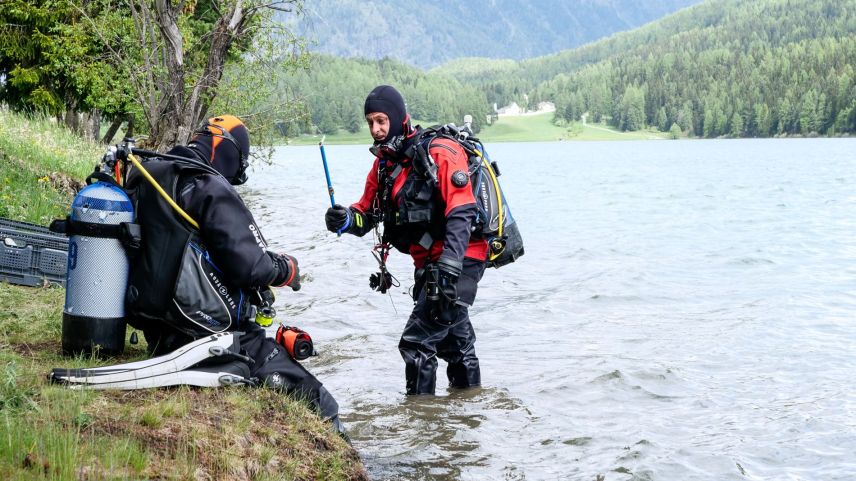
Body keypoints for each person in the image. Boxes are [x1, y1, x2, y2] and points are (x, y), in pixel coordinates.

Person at [123, 115, 343, 433]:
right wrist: (286, 269)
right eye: (240, 164)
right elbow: (252, 266)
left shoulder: (150, 172)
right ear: (229, 151)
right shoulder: (208, 186)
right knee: (322, 403)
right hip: (207, 334)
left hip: (158, 330)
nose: (236, 176)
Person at [324, 85, 489, 395]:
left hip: (462, 258)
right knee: (455, 344)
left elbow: (462, 212)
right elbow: (366, 215)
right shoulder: (384, 165)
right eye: (370, 122)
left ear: (398, 118)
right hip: (427, 264)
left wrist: (450, 268)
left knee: (417, 342)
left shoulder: (440, 152)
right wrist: (344, 219)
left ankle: (421, 426)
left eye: (381, 120)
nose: (375, 129)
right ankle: (469, 414)